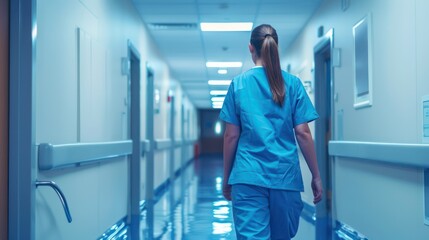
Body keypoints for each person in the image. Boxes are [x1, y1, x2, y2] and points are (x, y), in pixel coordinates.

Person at [219, 24, 323, 240]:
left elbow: (231, 136)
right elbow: (303, 133)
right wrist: (316, 175)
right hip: (284, 178)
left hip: (247, 178)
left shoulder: (238, 85)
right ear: (276, 46)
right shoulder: (293, 84)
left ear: (251, 48)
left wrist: (227, 177)